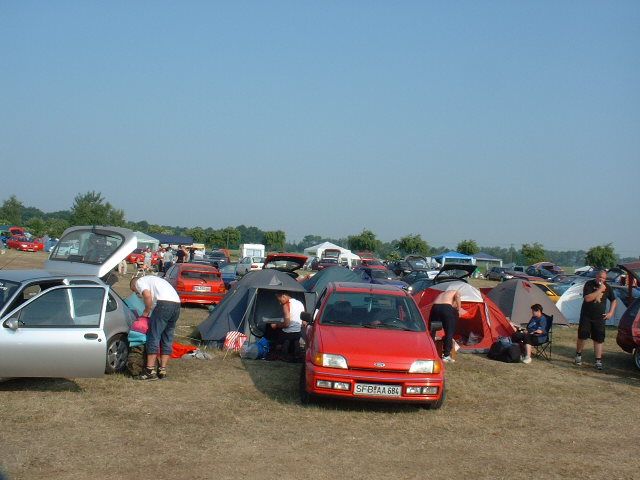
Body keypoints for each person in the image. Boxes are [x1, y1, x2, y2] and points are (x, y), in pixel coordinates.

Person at [130, 275, 181, 380]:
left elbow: (147, 296)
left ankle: (149, 371)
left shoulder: (139, 281)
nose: (137, 294)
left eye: (135, 291)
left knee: (154, 335)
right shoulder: (153, 280)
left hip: (164, 304)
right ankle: (162, 370)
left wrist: (146, 312)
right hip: (176, 304)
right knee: (167, 337)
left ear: (134, 285)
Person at [575, 270, 617, 370]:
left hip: (600, 317)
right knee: (582, 336)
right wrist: (600, 290)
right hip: (586, 315)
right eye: (600, 277)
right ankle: (578, 355)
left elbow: (614, 300)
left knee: (599, 338)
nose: (601, 279)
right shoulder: (589, 284)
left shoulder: (608, 287)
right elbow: (587, 299)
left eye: (603, 278)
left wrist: (611, 312)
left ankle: (598, 360)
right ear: (596, 276)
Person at [267, 291, 304, 361]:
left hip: (287, 334)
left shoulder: (286, 305)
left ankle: (278, 350)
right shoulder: (300, 303)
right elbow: (303, 321)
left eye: (280, 300)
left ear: (283, 296)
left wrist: (276, 325)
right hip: (297, 334)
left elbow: (287, 324)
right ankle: (295, 353)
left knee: (273, 329)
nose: (280, 303)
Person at [429, 288, 463, 363]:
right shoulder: (455, 291)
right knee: (449, 332)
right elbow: (457, 296)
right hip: (446, 308)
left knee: (432, 330)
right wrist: (459, 309)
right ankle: (446, 356)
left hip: (435, 307)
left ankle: (429, 351)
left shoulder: (443, 293)